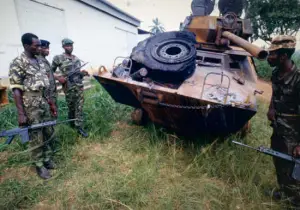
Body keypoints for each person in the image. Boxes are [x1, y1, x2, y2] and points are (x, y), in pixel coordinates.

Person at [9, 33, 57, 179]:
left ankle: (47, 158)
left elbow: (45, 84)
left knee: (47, 130)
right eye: (36, 45)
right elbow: (16, 89)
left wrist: (51, 103)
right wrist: (21, 113)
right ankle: (39, 164)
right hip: (30, 104)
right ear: (26, 46)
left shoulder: (40, 61)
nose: (39, 47)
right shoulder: (18, 62)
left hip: (43, 100)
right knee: (36, 135)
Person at [267, 35, 300, 207]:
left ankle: (295, 201)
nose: (268, 57)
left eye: (272, 54)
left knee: (294, 167)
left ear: (284, 56)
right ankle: (284, 192)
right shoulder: (276, 73)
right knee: (279, 160)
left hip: (294, 132)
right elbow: (274, 92)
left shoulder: (298, 79)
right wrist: (271, 107)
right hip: (279, 127)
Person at [51, 38, 89, 138]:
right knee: (71, 107)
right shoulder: (58, 58)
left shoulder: (76, 59)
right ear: (63, 47)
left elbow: (78, 74)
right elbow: (50, 71)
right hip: (68, 87)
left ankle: (79, 127)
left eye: (71, 45)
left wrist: (83, 73)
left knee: (79, 107)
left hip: (79, 87)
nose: (69, 47)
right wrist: (59, 78)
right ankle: (71, 123)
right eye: (67, 45)